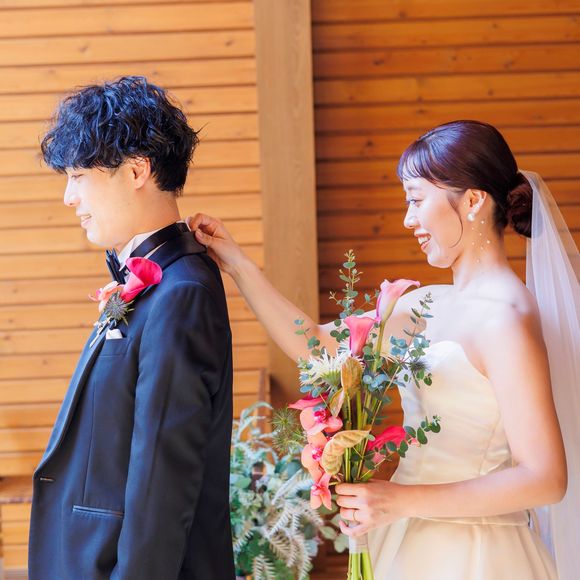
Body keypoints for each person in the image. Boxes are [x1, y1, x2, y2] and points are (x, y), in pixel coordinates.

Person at [189, 120, 579, 579]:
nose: (408, 220)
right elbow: (317, 345)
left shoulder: (506, 317)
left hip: (477, 554)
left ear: (473, 200)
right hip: (406, 538)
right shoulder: (425, 304)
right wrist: (237, 265)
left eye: (416, 200)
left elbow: (545, 478)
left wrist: (401, 500)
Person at [29, 77, 235, 580]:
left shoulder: (181, 291)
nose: (68, 197)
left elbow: (162, 483)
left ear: (137, 170)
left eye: (79, 176)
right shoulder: (155, 281)